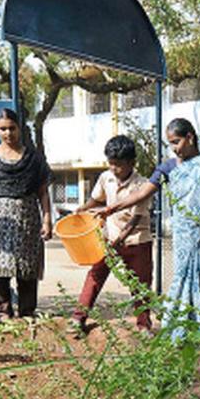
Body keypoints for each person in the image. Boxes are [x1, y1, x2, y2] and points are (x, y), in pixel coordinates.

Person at [98, 118, 200, 341]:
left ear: (190, 137)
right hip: (184, 236)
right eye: (170, 143)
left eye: (176, 142)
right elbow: (143, 193)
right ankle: (183, 330)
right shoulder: (169, 167)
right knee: (183, 281)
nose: (174, 148)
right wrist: (113, 207)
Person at [0, 108, 53, 320]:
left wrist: (47, 219)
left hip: (28, 217)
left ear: (19, 128)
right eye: (3, 129)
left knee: (27, 267)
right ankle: (2, 311)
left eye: (12, 128)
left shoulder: (34, 158)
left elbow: (43, 192)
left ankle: (27, 311)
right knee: (0, 266)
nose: (8, 133)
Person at [72, 135, 154, 334]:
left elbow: (136, 219)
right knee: (95, 275)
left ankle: (143, 325)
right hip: (109, 239)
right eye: (110, 164)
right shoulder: (105, 178)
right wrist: (81, 209)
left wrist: (121, 238)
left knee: (140, 285)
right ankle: (78, 318)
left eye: (118, 165)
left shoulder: (142, 185)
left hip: (137, 242)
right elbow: (95, 199)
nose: (114, 169)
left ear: (131, 163)